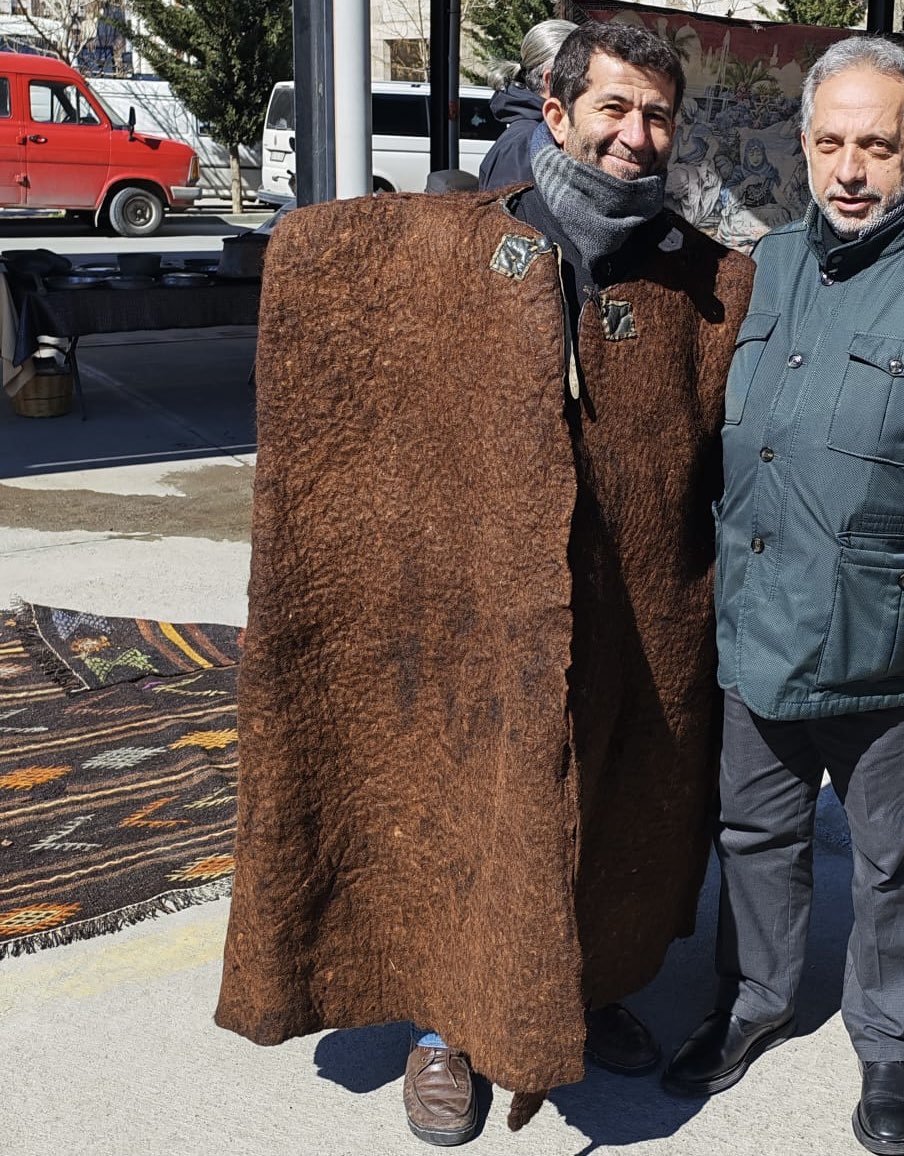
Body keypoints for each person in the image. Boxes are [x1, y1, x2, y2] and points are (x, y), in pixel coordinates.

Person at [214, 20, 756, 1147]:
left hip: (631, 605)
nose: (636, 134)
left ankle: (582, 989)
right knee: (469, 809)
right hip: (480, 604)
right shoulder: (464, 245)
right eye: (613, 108)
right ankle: (446, 1030)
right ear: (556, 114)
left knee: (611, 807)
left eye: (657, 115)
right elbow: (331, 278)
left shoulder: (700, 278)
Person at [660, 37, 904, 1156]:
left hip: (895, 651)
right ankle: (755, 998)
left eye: (875, 146)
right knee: (755, 834)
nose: (849, 170)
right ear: (803, 145)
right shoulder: (765, 266)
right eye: (830, 143)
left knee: (894, 863)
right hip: (758, 629)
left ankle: (890, 1044)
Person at [478, 18, 576, 190]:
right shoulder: (524, 144)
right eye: (584, 79)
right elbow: (508, 207)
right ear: (552, 80)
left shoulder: (539, 134)